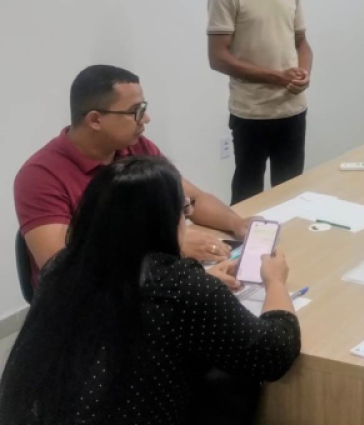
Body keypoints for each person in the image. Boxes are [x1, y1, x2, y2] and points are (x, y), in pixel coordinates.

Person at [0, 156, 301, 425]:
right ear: (164, 219)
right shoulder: (180, 287)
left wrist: (203, 284)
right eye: (185, 209)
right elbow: (274, 353)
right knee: (235, 378)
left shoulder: (61, 266)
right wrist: (274, 282)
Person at [14, 65, 249, 286]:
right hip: (86, 298)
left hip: (143, 278)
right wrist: (170, 246)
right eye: (136, 111)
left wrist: (237, 225)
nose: (146, 119)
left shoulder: (138, 148)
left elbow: (193, 199)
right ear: (95, 120)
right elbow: (60, 263)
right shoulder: (40, 176)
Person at [208, 0, 313, 205]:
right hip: (251, 114)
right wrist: (277, 77)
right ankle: (242, 250)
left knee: (291, 193)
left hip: (292, 111)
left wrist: (304, 73)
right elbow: (218, 58)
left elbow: (303, 44)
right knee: (247, 195)